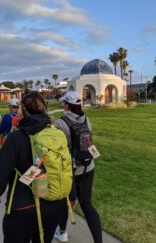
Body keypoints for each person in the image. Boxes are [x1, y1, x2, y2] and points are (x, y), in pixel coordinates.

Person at [0, 92, 69, 243]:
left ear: (23, 110)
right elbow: (65, 165)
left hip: (23, 206)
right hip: (54, 203)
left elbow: (0, 170)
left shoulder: (16, 136)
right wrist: (71, 195)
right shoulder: (57, 133)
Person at [54, 91, 103, 243]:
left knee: (65, 202)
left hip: (71, 170)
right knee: (87, 205)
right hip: (89, 167)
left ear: (67, 105)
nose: (62, 105)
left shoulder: (60, 123)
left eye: (64, 103)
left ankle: (62, 233)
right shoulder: (86, 120)